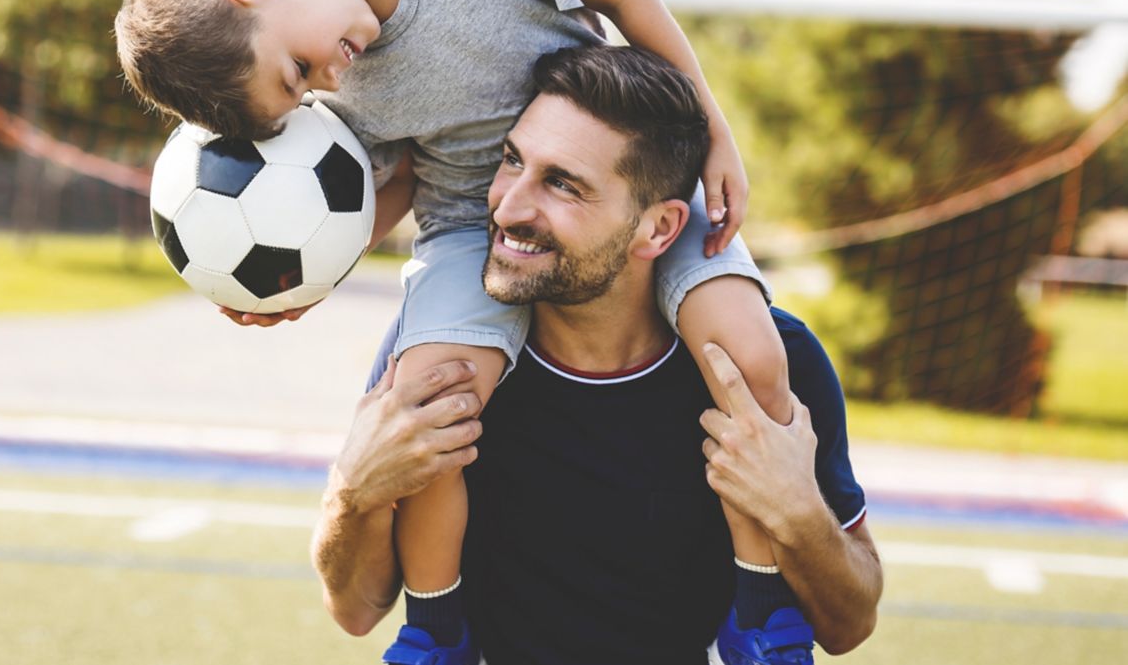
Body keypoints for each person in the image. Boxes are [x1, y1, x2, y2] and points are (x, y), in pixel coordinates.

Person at [117, 0, 799, 662]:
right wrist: (300, 286)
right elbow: (379, 188)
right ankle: (437, 629)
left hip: (622, 195)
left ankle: (759, 613)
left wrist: (713, 132)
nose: (324, 85)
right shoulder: (340, 93)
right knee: (430, 403)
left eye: (298, 68)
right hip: (466, 236)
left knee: (749, 355)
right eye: (304, 86)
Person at [312, 45, 883, 664]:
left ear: (660, 229)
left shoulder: (770, 359)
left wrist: (800, 514)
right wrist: (352, 493)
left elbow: (849, 624)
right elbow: (355, 609)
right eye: (512, 161)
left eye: (563, 185)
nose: (508, 206)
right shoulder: (440, 358)